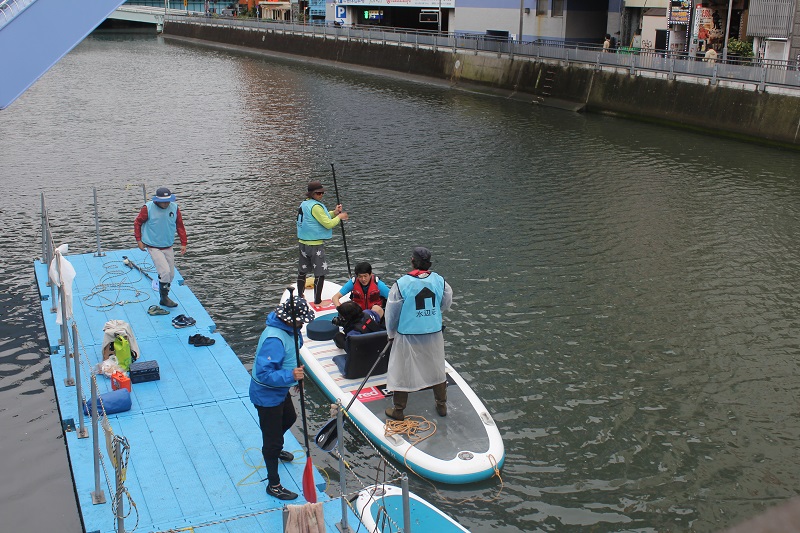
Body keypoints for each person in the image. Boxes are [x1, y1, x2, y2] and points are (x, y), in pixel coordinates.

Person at [249, 296, 315, 501]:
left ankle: (275, 449)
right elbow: (264, 373)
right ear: (289, 319)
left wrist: (294, 378)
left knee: (289, 418)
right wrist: (290, 376)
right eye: (301, 321)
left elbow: (292, 353)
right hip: (266, 395)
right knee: (272, 440)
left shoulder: (291, 330)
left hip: (280, 389)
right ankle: (274, 484)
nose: (302, 324)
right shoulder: (274, 340)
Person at [384, 247, 453, 421]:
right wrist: (432, 316)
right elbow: (446, 302)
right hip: (433, 333)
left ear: (412, 261)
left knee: (401, 370)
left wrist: (391, 333)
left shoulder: (401, 284)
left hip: (408, 335)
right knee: (437, 367)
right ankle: (441, 405)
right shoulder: (439, 280)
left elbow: (392, 313)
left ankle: (399, 409)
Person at [133, 187, 188, 308]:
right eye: (163, 201)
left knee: (171, 274)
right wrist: (139, 240)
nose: (166, 204)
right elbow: (137, 223)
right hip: (153, 245)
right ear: (157, 200)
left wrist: (183, 242)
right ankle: (164, 298)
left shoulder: (174, 208)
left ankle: (165, 294)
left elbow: (180, 225)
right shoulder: (147, 208)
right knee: (164, 272)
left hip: (167, 244)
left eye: (168, 201)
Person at [296, 181, 348, 305]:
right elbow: (327, 223)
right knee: (320, 273)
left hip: (303, 243)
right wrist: (339, 217)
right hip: (314, 245)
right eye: (318, 193)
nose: (321, 195)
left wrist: (334, 213)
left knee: (302, 271)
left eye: (322, 193)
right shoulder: (316, 207)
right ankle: (318, 301)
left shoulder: (305, 204)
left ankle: (300, 296)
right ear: (312, 194)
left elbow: (320, 217)